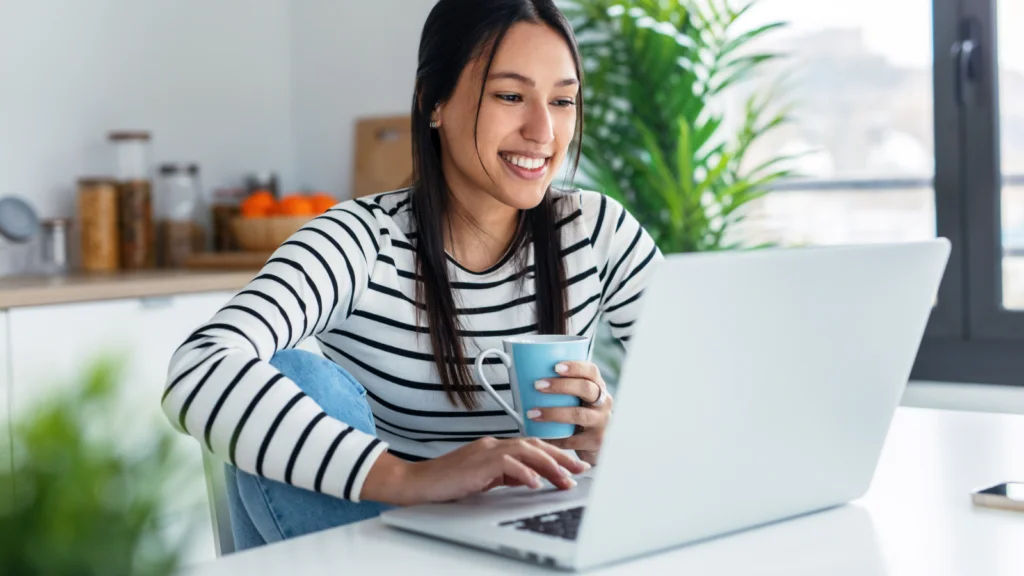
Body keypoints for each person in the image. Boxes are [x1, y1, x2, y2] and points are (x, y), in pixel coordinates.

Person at [161, 0, 662, 550]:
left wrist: (613, 439)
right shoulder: (361, 240)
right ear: (433, 104)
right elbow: (198, 369)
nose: (544, 130)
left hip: (539, 537)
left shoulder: (595, 230)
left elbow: (713, 404)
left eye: (563, 100)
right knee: (299, 376)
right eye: (510, 95)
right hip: (382, 541)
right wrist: (408, 479)